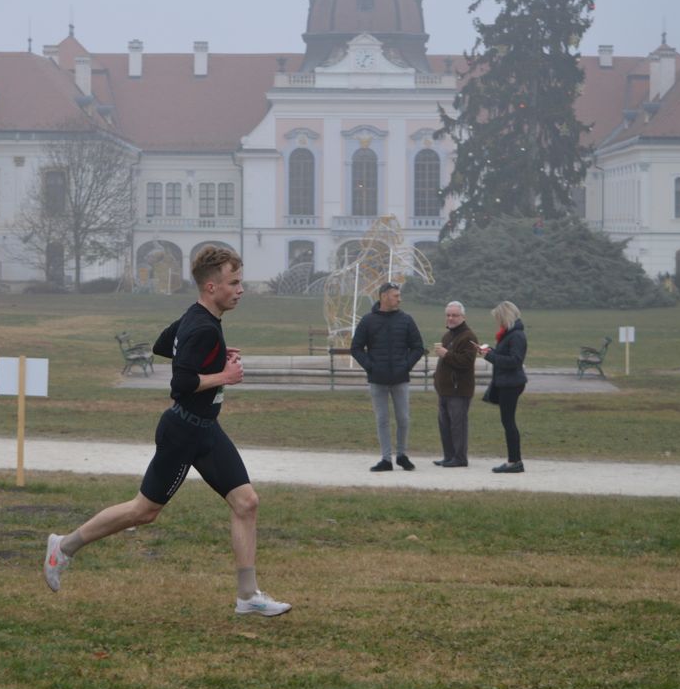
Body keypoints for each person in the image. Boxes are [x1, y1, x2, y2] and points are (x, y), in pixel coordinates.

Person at [43, 246, 291, 617]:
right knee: (144, 511)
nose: (241, 289)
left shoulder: (197, 317)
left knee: (246, 502)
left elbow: (164, 345)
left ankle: (248, 595)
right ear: (211, 287)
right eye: (234, 283)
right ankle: (63, 547)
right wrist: (224, 374)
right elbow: (181, 383)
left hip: (206, 429)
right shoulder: (204, 326)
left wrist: (212, 357)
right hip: (184, 433)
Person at [350, 281, 425, 472]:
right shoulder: (368, 320)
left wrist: (406, 366)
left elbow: (418, 347)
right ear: (384, 296)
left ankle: (402, 455)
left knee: (403, 418)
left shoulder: (406, 320)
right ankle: (386, 459)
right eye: (395, 296)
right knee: (382, 419)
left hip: (400, 378)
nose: (399, 299)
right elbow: (356, 348)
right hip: (377, 379)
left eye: (399, 296)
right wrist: (370, 367)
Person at [480, 300, 528, 473]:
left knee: (509, 422)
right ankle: (514, 460)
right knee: (507, 421)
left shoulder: (516, 336)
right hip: (507, 382)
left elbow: (515, 361)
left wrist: (490, 357)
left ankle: (515, 461)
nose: (498, 322)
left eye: (499, 318)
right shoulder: (509, 334)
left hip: (511, 383)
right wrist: (490, 351)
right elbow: (505, 355)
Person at [432, 301, 479, 468]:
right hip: (444, 390)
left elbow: (466, 362)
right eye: (448, 315)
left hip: (459, 390)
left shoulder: (469, 337)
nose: (450, 318)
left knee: (458, 426)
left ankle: (460, 458)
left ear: (463, 317)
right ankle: (448, 456)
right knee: (445, 425)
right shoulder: (448, 335)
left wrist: (447, 354)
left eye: (454, 315)